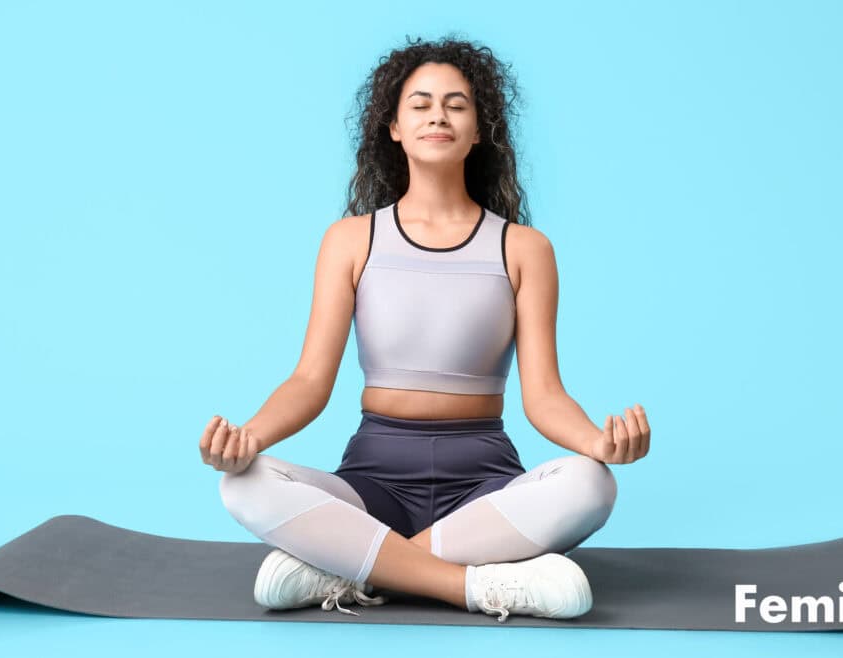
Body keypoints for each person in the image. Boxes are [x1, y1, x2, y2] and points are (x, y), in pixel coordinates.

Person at [199, 35, 651, 623]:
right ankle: (477, 586)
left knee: (594, 486)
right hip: (371, 485)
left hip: (485, 488)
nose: (438, 114)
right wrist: (248, 439)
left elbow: (544, 396)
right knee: (241, 485)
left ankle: (347, 566)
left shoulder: (525, 249)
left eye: (456, 104)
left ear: (479, 130)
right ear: (393, 127)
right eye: (420, 103)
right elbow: (310, 380)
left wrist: (597, 443)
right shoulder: (350, 240)